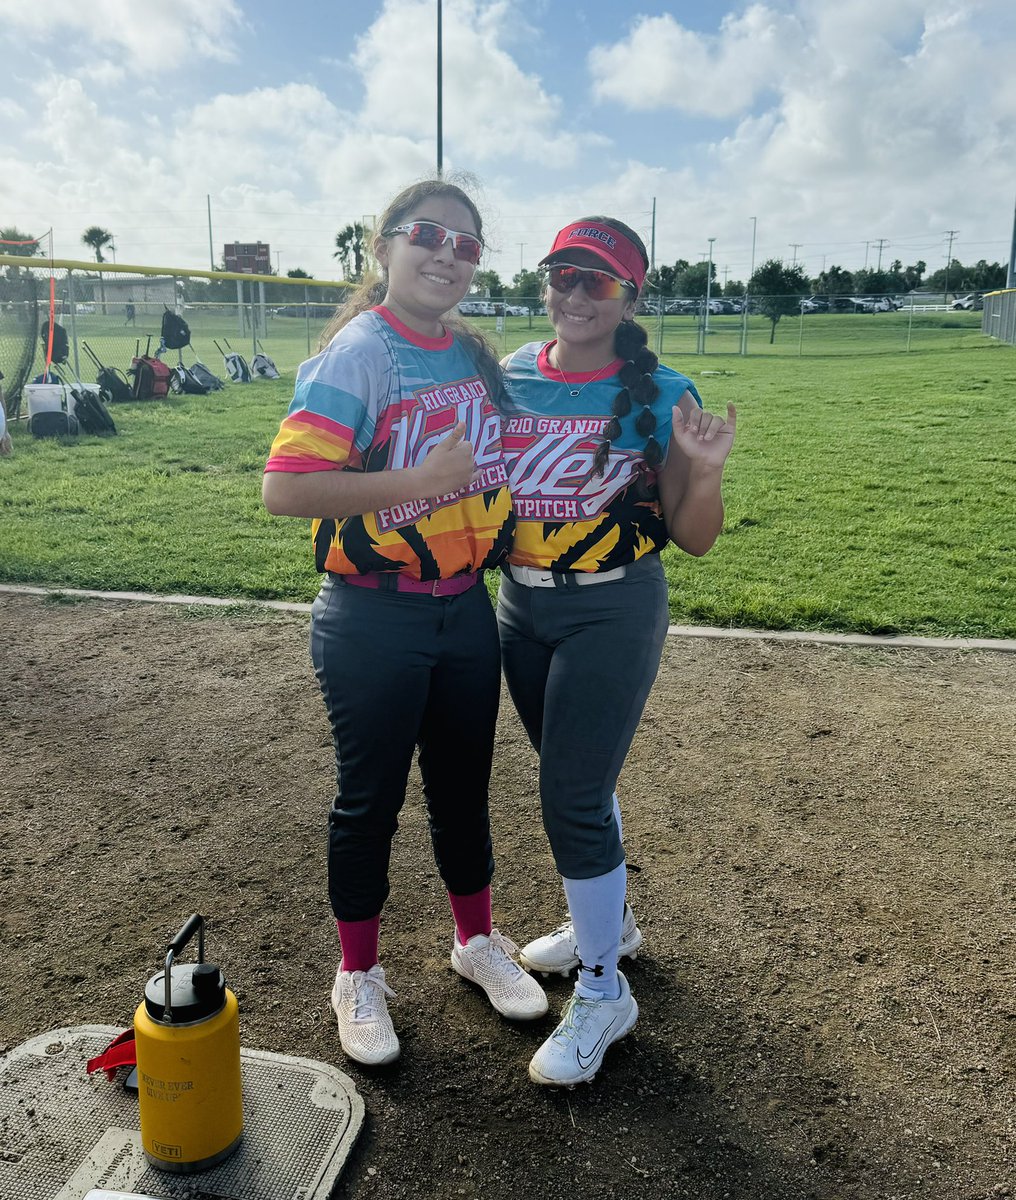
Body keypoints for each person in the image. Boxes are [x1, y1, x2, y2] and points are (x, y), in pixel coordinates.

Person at [262, 179, 547, 1067]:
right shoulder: (361, 350)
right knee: (370, 801)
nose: (447, 255)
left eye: (467, 244)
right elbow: (286, 488)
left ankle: (475, 942)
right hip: (372, 617)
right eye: (428, 234)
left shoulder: (470, 350)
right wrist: (417, 485)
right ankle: (357, 974)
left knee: (463, 790)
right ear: (383, 246)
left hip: (462, 609)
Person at [497, 217, 736, 1087]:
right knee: (579, 784)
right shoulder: (514, 372)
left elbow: (695, 538)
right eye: (561, 275)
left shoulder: (661, 390)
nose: (572, 294)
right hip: (519, 605)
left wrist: (703, 472)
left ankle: (605, 990)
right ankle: (615, 926)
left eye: (595, 282)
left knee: (568, 794)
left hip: (614, 607)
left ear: (630, 297)